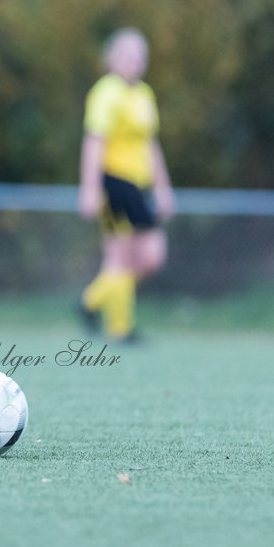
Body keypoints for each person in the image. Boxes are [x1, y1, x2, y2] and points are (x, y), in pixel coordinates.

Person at [77, 28, 176, 342]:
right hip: (114, 182)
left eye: (139, 56)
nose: (134, 61)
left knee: (150, 256)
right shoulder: (106, 93)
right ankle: (121, 327)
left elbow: (150, 144)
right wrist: (90, 189)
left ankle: (90, 302)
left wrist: (163, 187)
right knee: (120, 257)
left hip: (139, 186)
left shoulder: (144, 94)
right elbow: (94, 142)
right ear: (111, 59)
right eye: (127, 55)